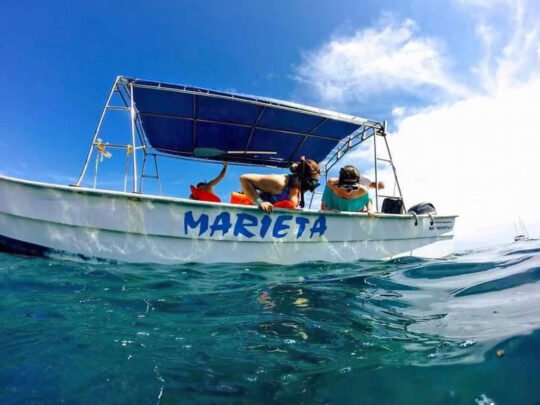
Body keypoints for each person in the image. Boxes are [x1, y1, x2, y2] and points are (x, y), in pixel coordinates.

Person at [239, 158, 320, 213]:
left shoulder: (297, 188)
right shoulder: (279, 182)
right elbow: (244, 179)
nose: (310, 188)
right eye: (311, 183)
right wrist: (259, 202)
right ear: (300, 177)